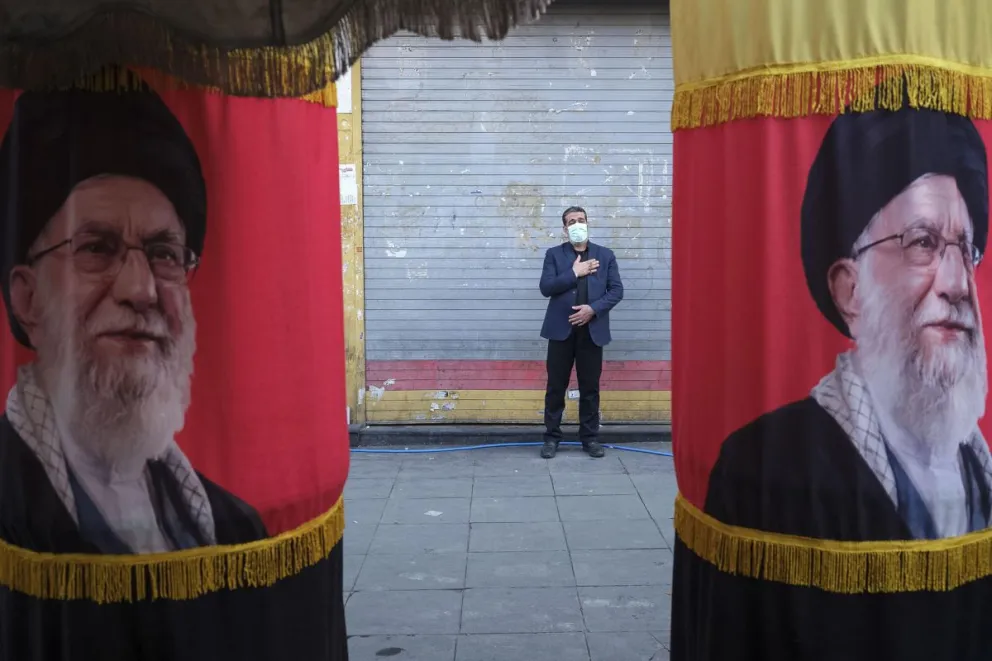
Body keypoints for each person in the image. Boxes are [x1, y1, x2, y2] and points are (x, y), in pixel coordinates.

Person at [0, 81, 267, 555]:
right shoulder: (13, 517)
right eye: (97, 249)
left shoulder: (235, 529)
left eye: (164, 254)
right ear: (27, 298)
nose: (141, 290)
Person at [704, 103, 991, 541]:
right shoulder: (765, 464)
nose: (957, 283)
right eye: (922, 242)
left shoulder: (978, 466)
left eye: (965, 249)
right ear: (850, 291)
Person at [539, 206, 624, 459]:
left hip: (592, 331)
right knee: (556, 387)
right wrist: (574, 273)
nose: (577, 224)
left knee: (590, 388)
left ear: (587, 223)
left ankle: (589, 438)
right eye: (571, 221)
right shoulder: (554, 255)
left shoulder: (605, 255)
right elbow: (546, 287)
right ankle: (552, 437)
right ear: (565, 229)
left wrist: (592, 309)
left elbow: (616, 291)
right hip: (561, 331)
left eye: (581, 220)